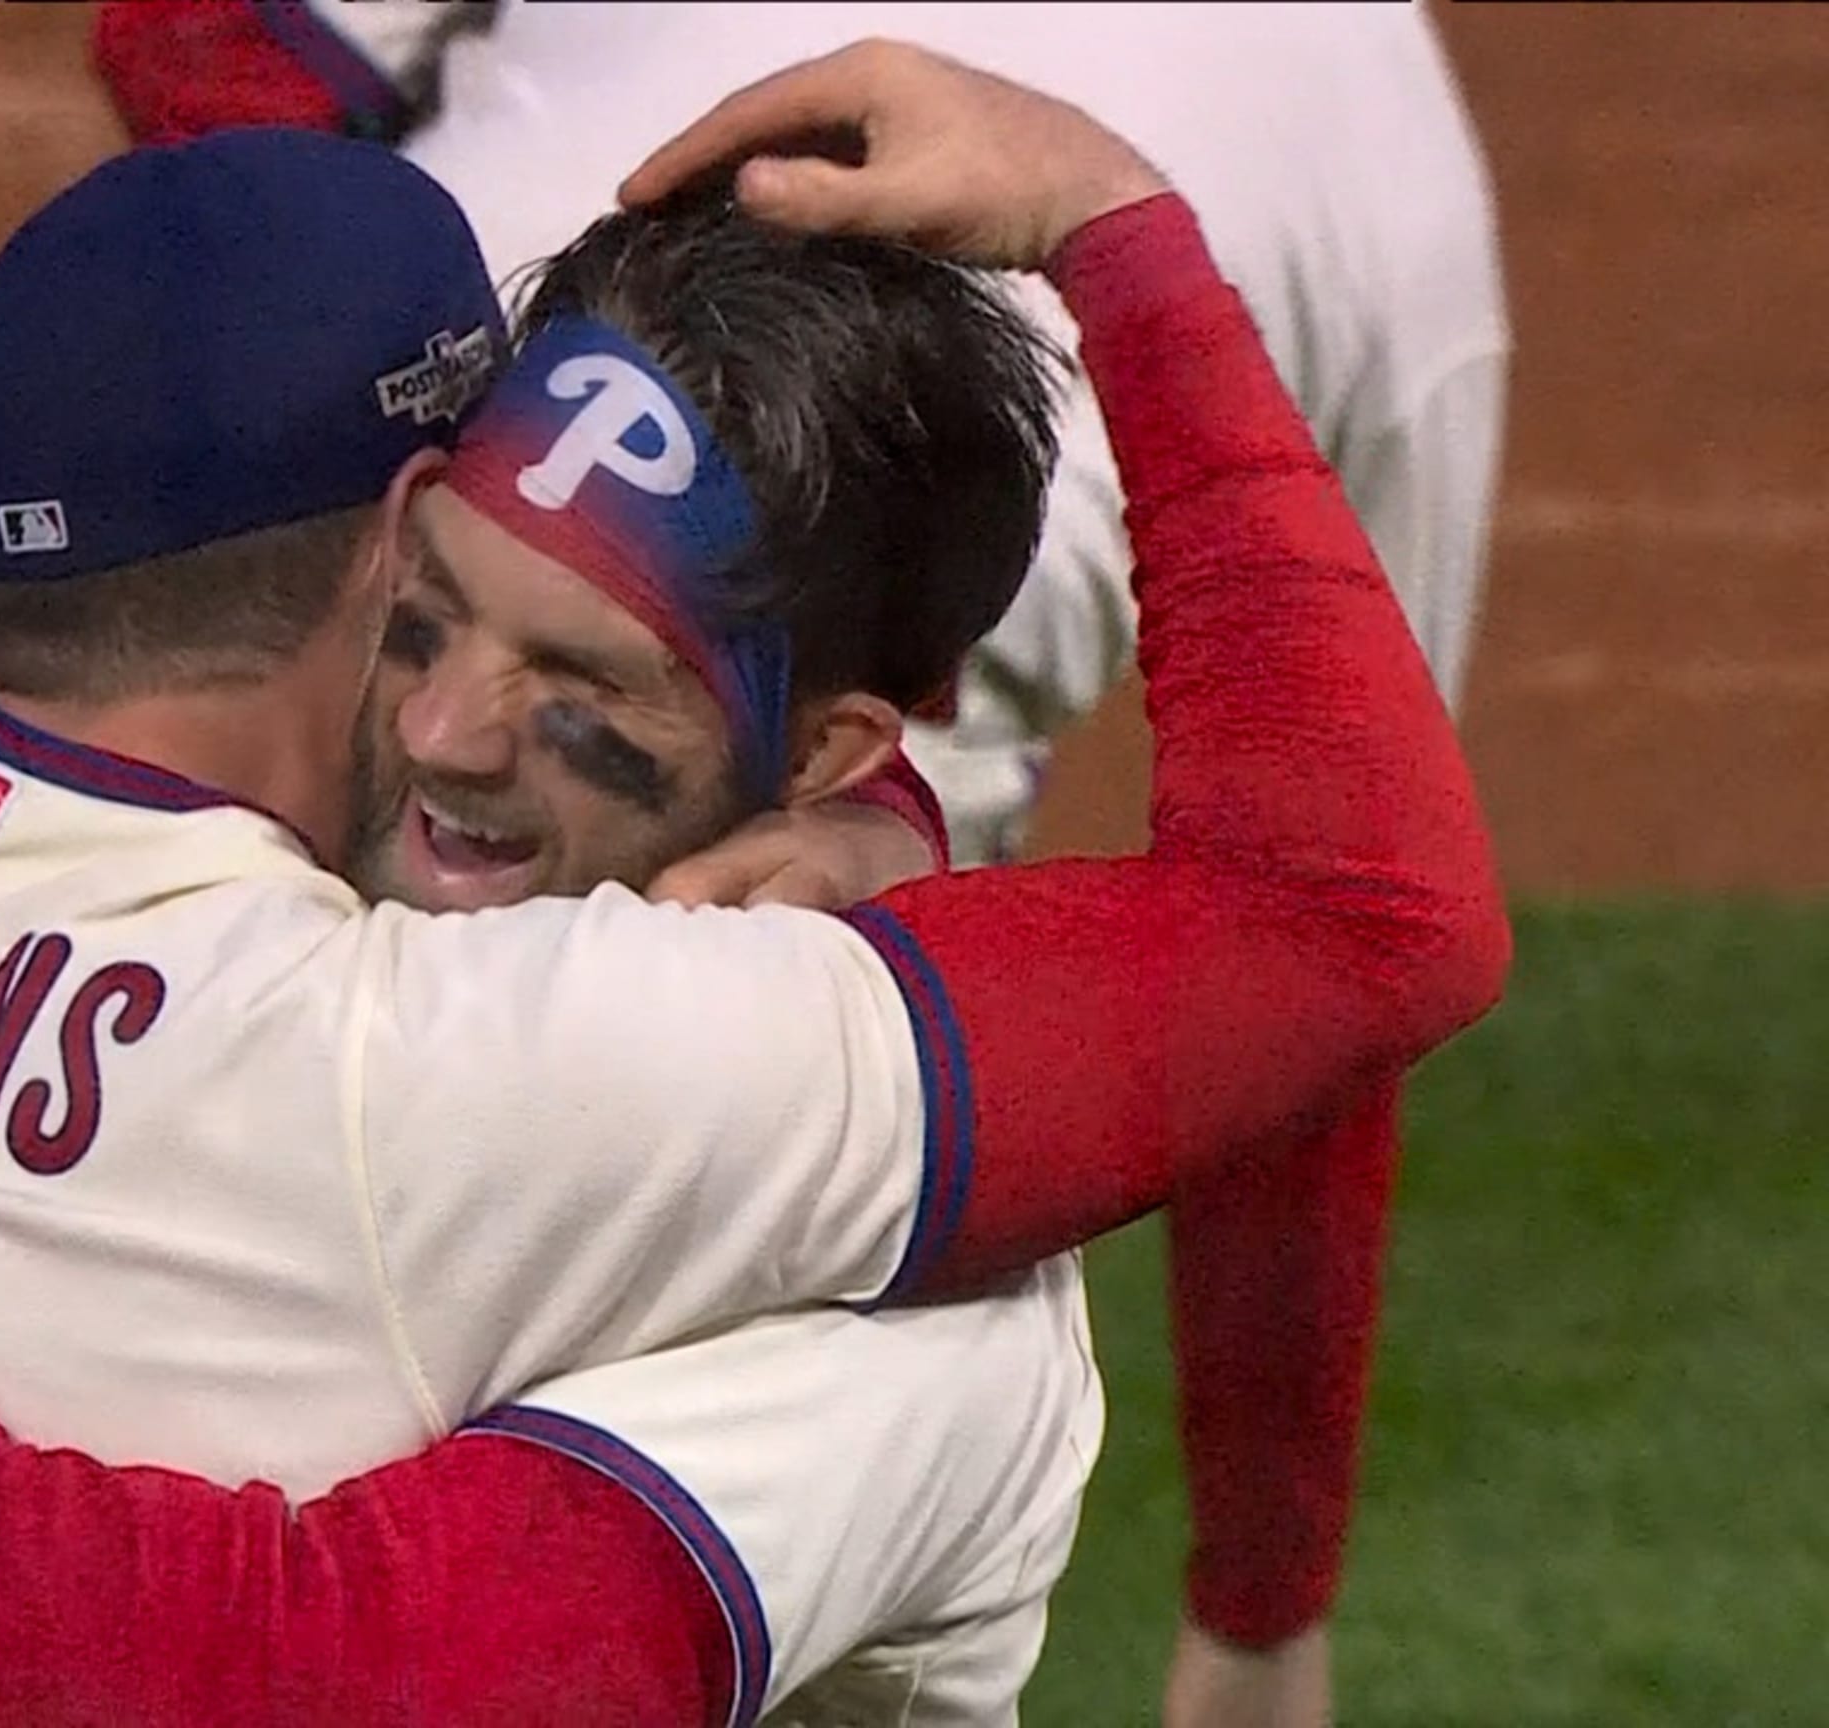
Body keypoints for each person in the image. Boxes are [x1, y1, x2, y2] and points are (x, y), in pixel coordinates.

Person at [0, 48, 1508, 1727]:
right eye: (433, 618)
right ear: (386, 530)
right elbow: (1352, 916)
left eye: (590, 687)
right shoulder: (606, 1107)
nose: (462, 732)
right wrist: (1115, 238)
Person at [92, 4, 1514, 1709]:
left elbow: (203, 49)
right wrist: (1264, 1618)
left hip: (680, 819)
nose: (464, 723)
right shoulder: (1386, 173)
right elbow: (1335, 951)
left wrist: (283, 429)